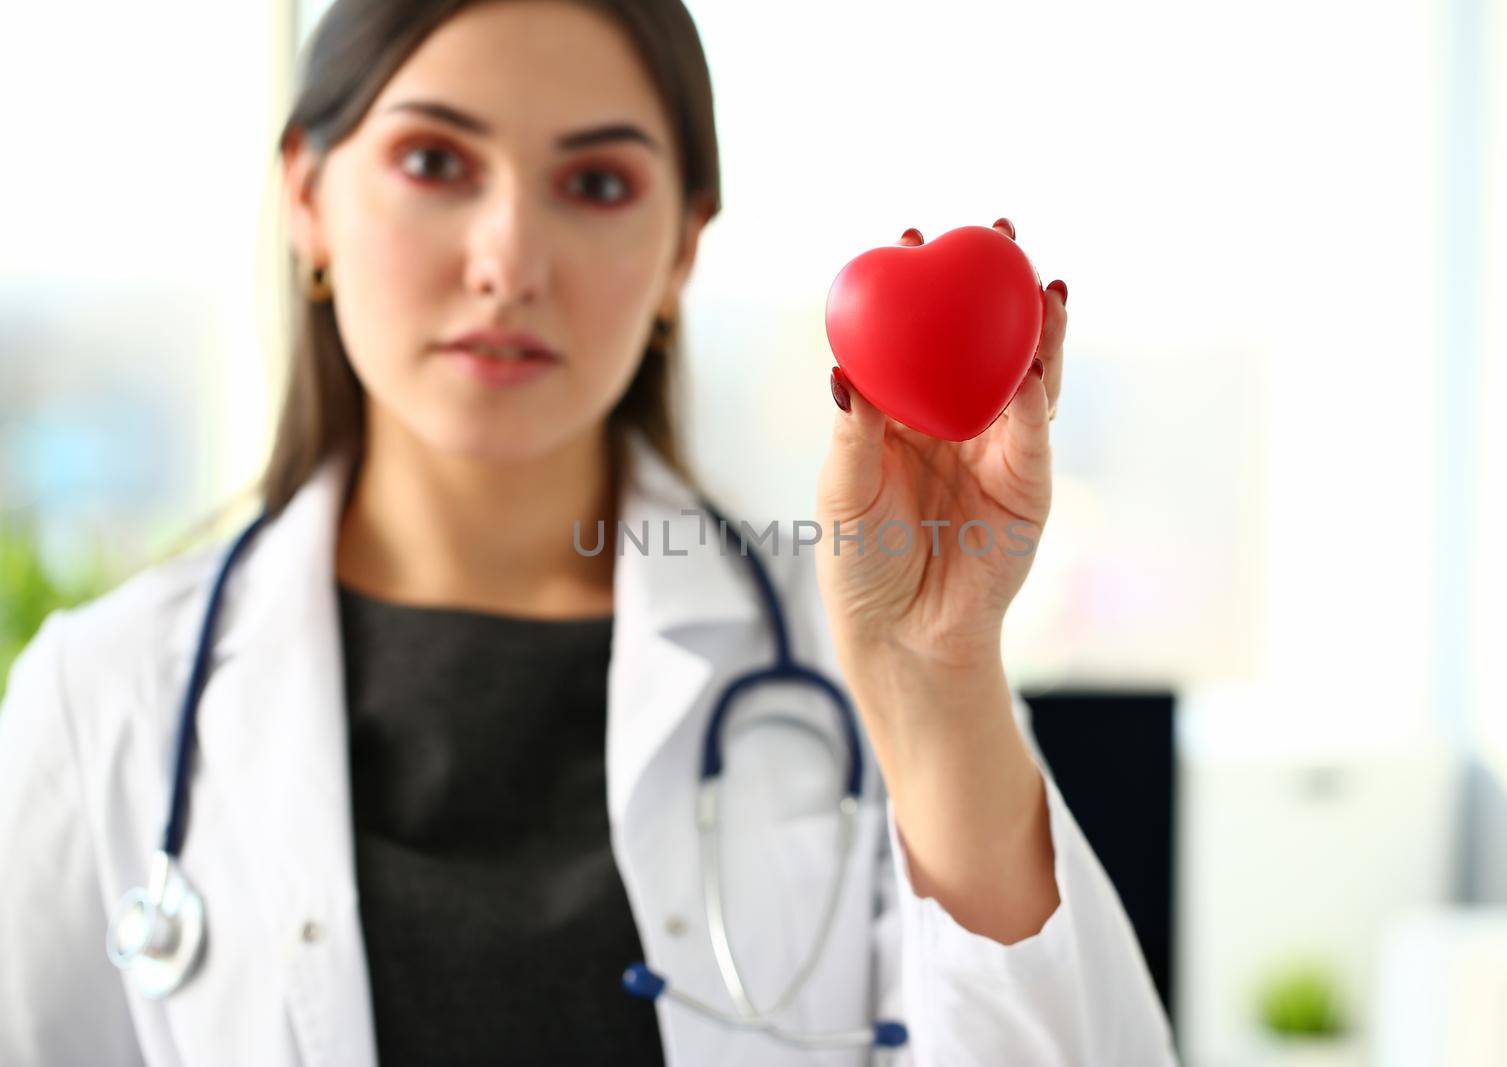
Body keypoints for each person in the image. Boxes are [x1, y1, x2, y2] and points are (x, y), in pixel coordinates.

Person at [0, 0, 1177, 1063]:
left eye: (597, 183)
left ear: (682, 247)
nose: (509, 261)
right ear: (306, 196)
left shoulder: (856, 658)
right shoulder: (103, 697)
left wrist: (935, 680)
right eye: (432, 161)